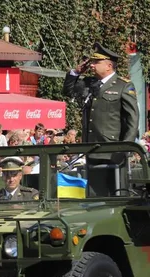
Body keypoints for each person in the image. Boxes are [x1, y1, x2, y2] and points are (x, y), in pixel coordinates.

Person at [63, 43, 139, 196]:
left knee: (116, 193)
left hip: (112, 150)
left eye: (96, 62)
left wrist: (124, 148)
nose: (91, 65)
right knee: (95, 197)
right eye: (91, 62)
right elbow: (68, 91)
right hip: (91, 148)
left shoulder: (123, 86)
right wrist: (75, 72)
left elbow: (133, 119)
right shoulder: (89, 83)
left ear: (109, 65)